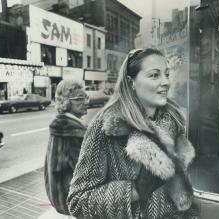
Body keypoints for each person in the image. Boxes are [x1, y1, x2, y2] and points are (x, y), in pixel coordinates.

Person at [68, 48, 198, 218]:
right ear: (131, 83)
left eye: (166, 74)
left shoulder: (172, 120)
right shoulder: (106, 127)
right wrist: (136, 190)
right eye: (154, 75)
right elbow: (78, 201)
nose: (166, 82)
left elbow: (184, 193)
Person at [44, 79, 89, 216]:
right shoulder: (71, 132)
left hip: (60, 197)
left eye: (86, 97)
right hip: (73, 202)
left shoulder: (61, 125)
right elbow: (88, 173)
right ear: (66, 102)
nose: (86, 102)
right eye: (80, 98)